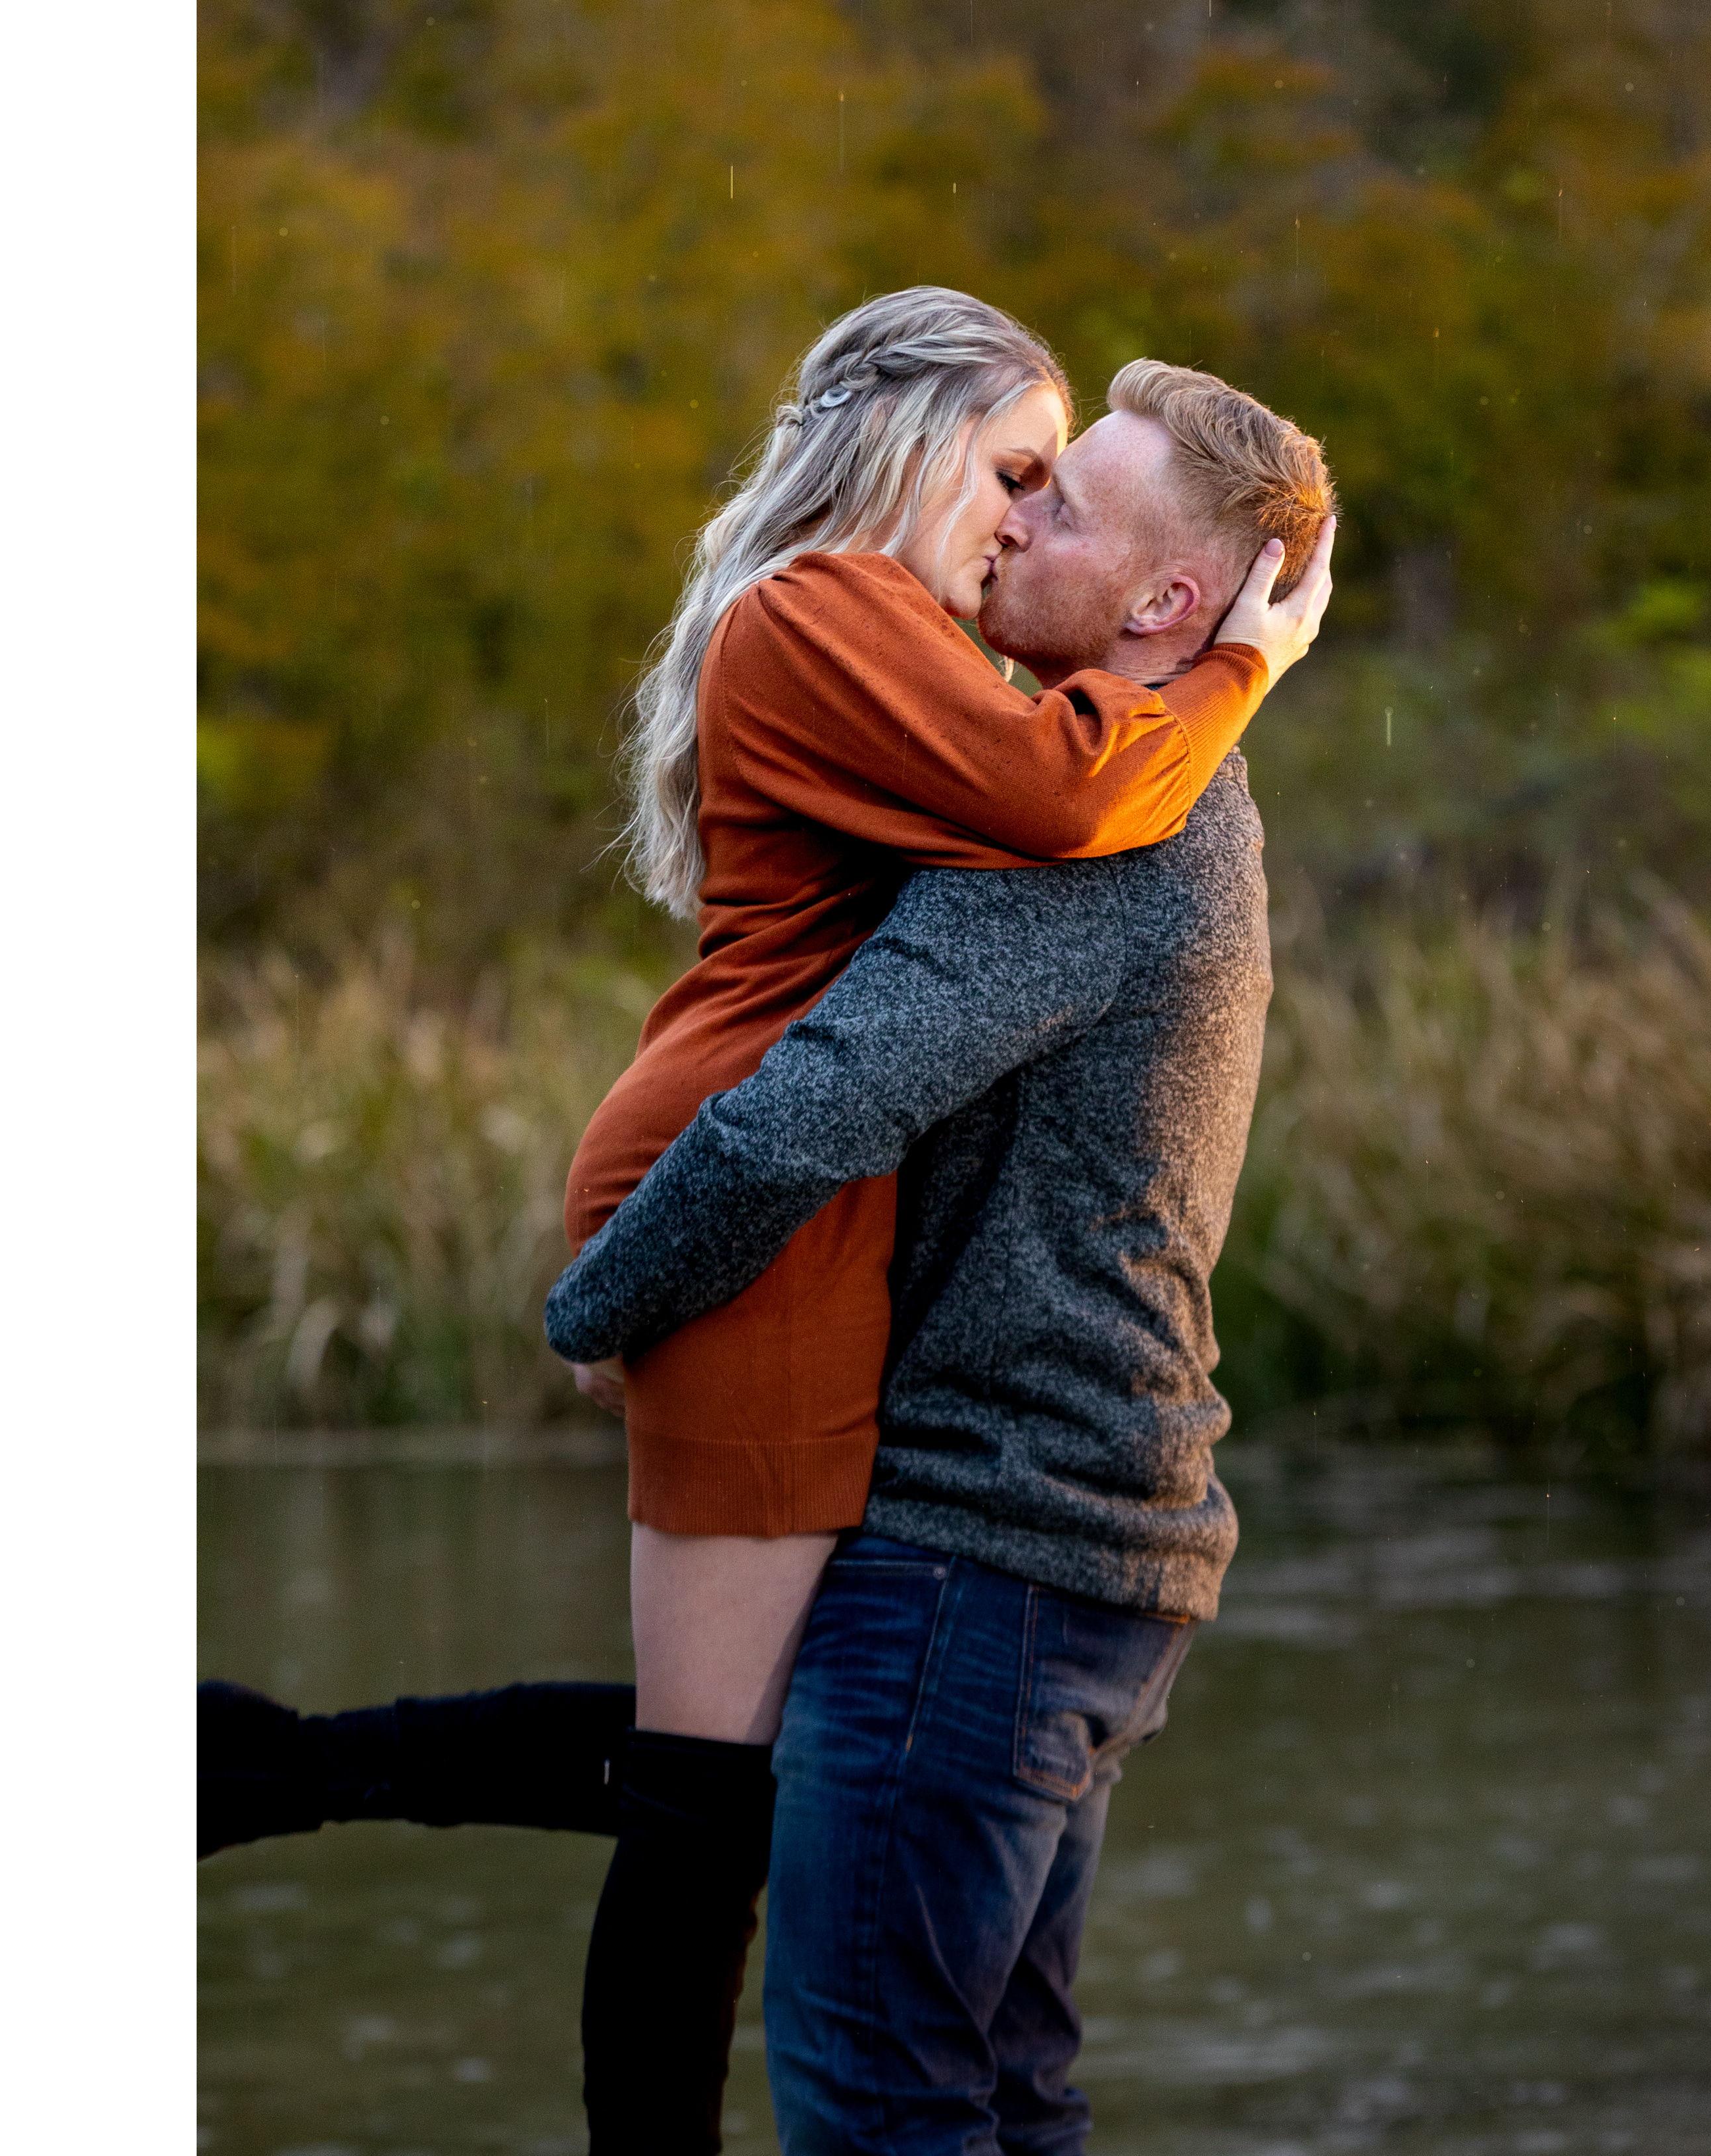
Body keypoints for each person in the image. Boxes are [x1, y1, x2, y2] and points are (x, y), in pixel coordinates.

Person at [545, 359, 1336, 2153]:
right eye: (1026, 476)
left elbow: (797, 1118)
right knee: (998, 2095)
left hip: (982, 1547)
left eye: (1064, 499)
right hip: (1092, 1544)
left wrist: (594, 1309)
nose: (1017, 515)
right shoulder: (1180, 803)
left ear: (1165, 606)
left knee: (877, 2107)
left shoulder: (1093, 842)